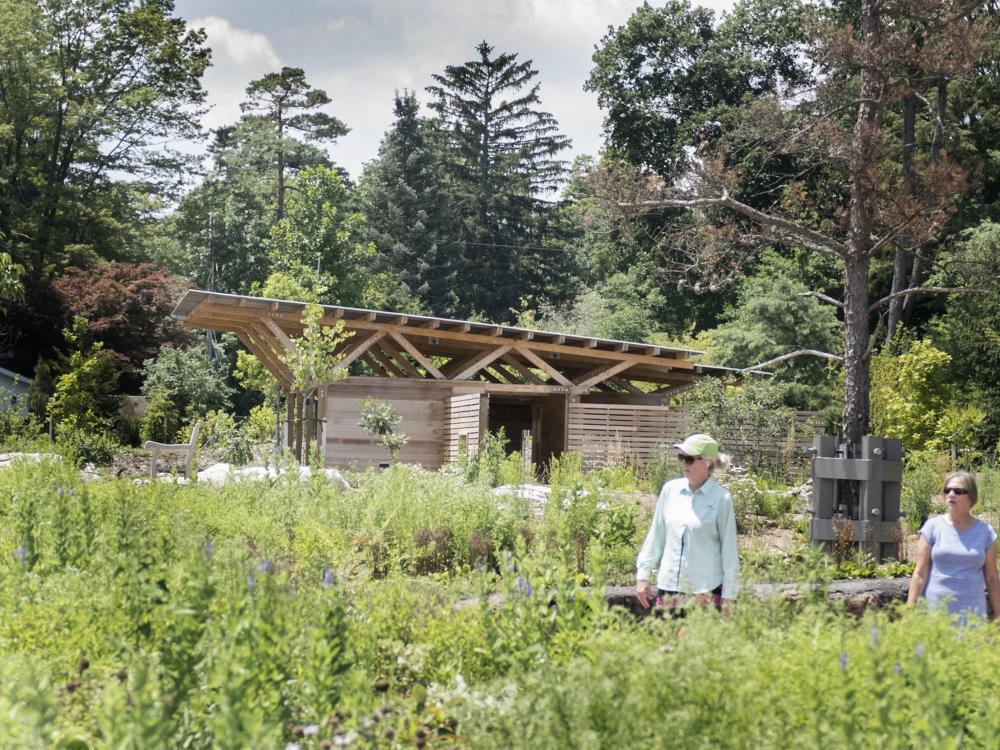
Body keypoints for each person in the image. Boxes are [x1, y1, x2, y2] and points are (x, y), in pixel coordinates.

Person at [636, 433, 739, 613]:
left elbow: (729, 551)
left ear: (707, 462)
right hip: (669, 589)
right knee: (667, 641)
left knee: (700, 642)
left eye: (690, 459)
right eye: (682, 457)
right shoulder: (670, 490)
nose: (684, 464)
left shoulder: (721, 498)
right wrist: (643, 575)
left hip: (704, 591)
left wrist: (729, 595)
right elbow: (656, 536)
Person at [907, 471, 1000, 620]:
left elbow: (992, 577)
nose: (951, 494)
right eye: (947, 490)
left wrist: (998, 614)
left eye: (958, 491)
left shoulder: (985, 532)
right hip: (934, 612)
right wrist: (909, 611)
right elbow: (920, 573)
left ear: (971, 497)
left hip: (971, 614)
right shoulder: (932, 527)